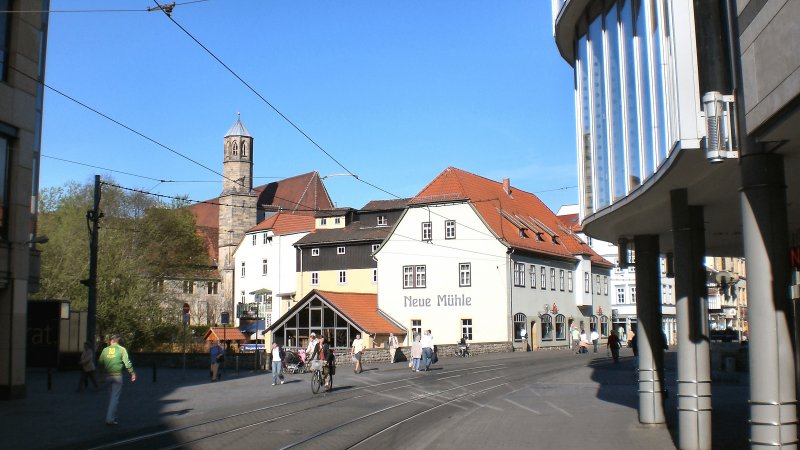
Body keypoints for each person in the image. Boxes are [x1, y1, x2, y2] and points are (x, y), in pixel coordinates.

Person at [98, 335, 135, 426]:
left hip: (107, 375)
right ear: (118, 342)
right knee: (114, 398)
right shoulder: (122, 349)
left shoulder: (105, 350)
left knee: (111, 396)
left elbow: (100, 363)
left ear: (111, 341)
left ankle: (111, 417)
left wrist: (101, 375)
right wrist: (132, 373)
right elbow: (127, 362)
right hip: (117, 376)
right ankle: (110, 419)